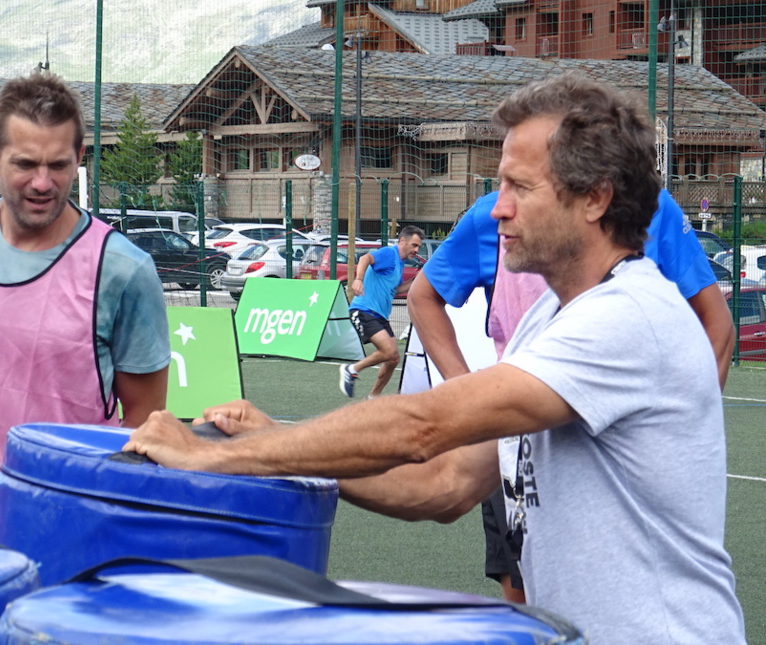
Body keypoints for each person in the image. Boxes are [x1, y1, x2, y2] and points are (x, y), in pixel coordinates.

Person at [124, 73, 746, 644]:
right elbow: (442, 484)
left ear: (595, 199)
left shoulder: (627, 318)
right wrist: (270, 444)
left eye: (519, 187)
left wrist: (220, 455)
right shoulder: (547, 318)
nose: (497, 207)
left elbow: (421, 428)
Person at [407, 187, 735, 603]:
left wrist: (685, 431)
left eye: (520, 178)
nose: (504, 207)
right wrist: (465, 396)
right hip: (518, 438)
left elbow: (717, 324)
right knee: (528, 600)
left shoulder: (648, 211)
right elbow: (444, 483)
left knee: (626, 593)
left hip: (616, 445)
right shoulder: (497, 230)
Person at [0, 72, 171, 541]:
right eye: (25, 163)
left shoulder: (123, 269)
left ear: (80, 159)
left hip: (61, 534)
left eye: (59, 165)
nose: (43, 183)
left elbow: (142, 427)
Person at [338, 225, 424, 398]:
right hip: (363, 310)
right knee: (389, 352)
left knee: (393, 359)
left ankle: (373, 397)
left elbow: (397, 289)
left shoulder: (399, 264)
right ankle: (351, 369)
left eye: (418, 247)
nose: (416, 250)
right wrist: (358, 280)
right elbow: (365, 258)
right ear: (402, 241)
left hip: (380, 316)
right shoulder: (389, 254)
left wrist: (418, 278)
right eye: (414, 245)